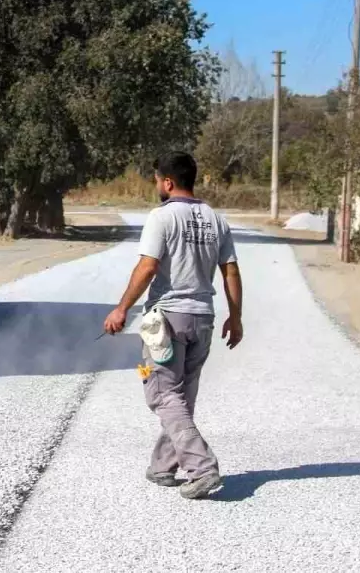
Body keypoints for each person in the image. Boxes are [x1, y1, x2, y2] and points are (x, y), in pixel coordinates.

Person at [102, 152, 244, 500]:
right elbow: (231, 272)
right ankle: (163, 467)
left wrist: (121, 308)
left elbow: (148, 267)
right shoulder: (217, 220)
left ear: (167, 182)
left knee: (162, 394)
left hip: (166, 319)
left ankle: (202, 468)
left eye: (156, 180)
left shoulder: (162, 217)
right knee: (181, 396)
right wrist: (236, 316)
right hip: (203, 319)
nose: (156, 186)